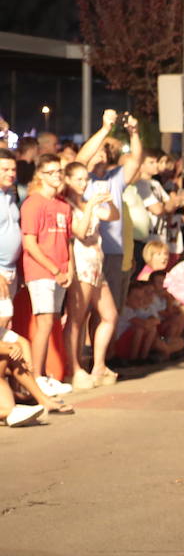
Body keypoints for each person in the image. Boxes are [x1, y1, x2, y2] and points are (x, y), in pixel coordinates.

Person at [60, 160, 119, 389]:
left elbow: (112, 217)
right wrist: (90, 205)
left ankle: (99, 365)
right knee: (77, 318)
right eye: (79, 179)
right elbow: (81, 231)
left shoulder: (87, 203)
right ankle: (73, 368)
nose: (84, 184)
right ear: (68, 180)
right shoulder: (66, 206)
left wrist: (110, 202)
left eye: (86, 179)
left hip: (97, 265)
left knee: (110, 315)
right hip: (81, 265)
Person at [78, 110, 144, 314]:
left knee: (111, 311)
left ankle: (108, 348)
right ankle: (86, 347)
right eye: (96, 150)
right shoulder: (82, 179)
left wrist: (133, 133)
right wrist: (105, 128)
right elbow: (80, 159)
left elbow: (136, 160)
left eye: (103, 151)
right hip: (87, 250)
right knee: (85, 309)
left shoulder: (115, 178)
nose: (99, 154)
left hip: (113, 252)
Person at [18, 154, 72, 394]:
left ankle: (46, 374)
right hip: (41, 271)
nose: (56, 176)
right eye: (50, 172)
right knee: (45, 321)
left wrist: (69, 267)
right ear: (40, 175)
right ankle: (37, 376)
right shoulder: (33, 203)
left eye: (59, 171)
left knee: (52, 323)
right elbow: (30, 244)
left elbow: (67, 239)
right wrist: (54, 269)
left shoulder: (63, 204)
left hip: (61, 271)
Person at [0, 149, 21, 290]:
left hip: (11, 270)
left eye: (13, 169)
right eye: (5, 169)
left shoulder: (11, 196)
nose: (11, 173)